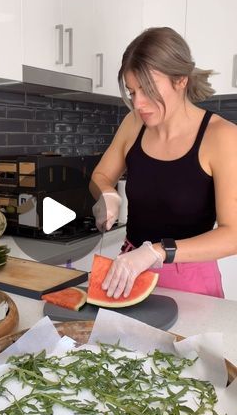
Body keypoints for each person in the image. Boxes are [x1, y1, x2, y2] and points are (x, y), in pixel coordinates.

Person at [90, 26, 237, 300]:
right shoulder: (133, 124)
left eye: (147, 90)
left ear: (180, 80)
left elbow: (233, 235)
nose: (139, 104)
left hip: (192, 280)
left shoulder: (223, 136)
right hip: (129, 272)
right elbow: (100, 175)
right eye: (133, 92)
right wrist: (106, 193)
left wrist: (157, 251)